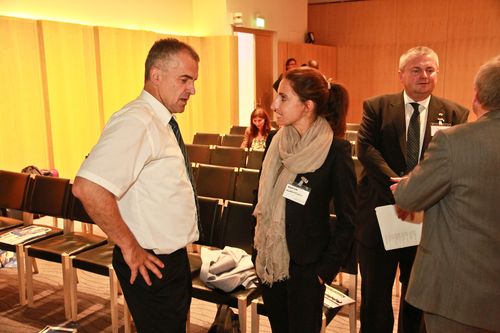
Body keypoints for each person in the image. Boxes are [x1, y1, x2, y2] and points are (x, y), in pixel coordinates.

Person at [72, 38, 201, 333]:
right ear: (156, 75)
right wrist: (130, 248)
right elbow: (87, 188)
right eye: (185, 79)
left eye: (193, 81)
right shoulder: (137, 121)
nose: (192, 89)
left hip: (169, 259)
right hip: (151, 262)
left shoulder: (159, 121)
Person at [355, 46, 469, 333]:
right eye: (416, 69)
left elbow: (453, 162)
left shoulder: (455, 114)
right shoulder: (376, 107)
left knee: (416, 298)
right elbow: (366, 149)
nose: (424, 75)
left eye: (430, 70)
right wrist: (400, 183)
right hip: (380, 214)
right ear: (401, 74)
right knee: (375, 297)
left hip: (426, 219)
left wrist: (415, 187)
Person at [391, 56, 500, 333]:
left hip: (458, 294)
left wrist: (406, 185)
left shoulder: (455, 140)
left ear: (477, 96)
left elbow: (409, 197)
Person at [253, 67, 357, 333]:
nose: (274, 105)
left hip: (307, 269)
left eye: (284, 98)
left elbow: (349, 220)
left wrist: (324, 271)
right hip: (271, 262)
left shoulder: (336, 150)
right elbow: (261, 196)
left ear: (307, 106)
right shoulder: (275, 141)